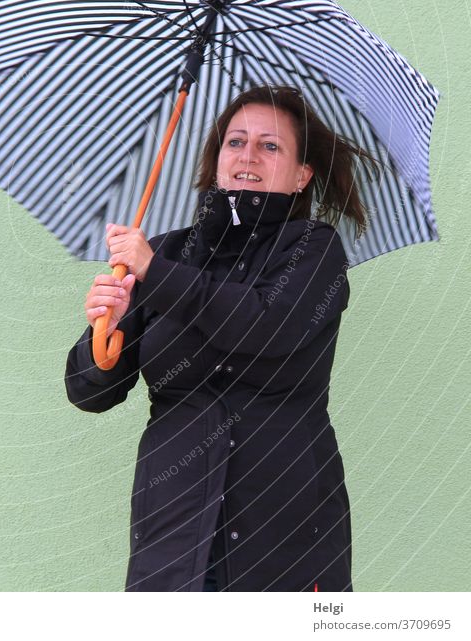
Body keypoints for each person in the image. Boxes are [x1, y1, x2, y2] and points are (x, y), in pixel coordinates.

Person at [64, 84, 380, 592]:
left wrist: (158, 274)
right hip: (173, 529)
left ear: (302, 175)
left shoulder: (315, 251)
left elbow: (268, 325)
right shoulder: (169, 252)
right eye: (235, 142)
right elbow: (92, 392)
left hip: (284, 530)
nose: (248, 155)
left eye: (269, 145)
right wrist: (105, 326)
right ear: (216, 162)